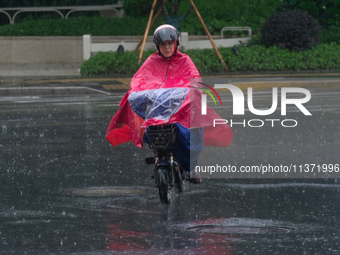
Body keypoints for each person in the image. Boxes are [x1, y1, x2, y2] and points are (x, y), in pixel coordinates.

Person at [106, 24, 233, 182]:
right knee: (154, 133)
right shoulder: (151, 61)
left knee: (191, 132)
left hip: (181, 110)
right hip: (157, 111)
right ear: (157, 46)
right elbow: (138, 81)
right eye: (163, 44)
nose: (167, 47)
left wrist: (192, 92)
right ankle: (160, 158)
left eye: (169, 44)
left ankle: (191, 167)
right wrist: (135, 93)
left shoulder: (185, 60)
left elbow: (195, 80)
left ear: (176, 43)